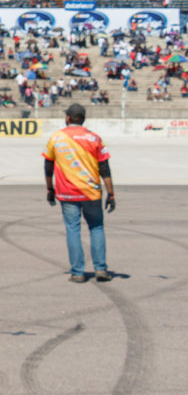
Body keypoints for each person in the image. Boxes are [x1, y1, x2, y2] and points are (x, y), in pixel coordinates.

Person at [43, 103, 116, 283]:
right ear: (83, 119)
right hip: (91, 192)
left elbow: (48, 166)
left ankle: (77, 272)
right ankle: (100, 269)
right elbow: (104, 167)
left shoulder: (56, 138)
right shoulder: (94, 138)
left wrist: (50, 188)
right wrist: (111, 193)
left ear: (68, 118)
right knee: (96, 228)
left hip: (67, 192)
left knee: (73, 230)